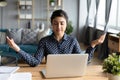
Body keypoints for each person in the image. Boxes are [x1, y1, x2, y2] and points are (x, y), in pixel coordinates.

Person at [7, 9, 106, 67]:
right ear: (52, 25)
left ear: (66, 24)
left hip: (69, 74)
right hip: (50, 75)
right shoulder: (44, 41)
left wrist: (93, 44)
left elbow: (82, 61)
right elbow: (35, 62)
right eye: (55, 23)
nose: (59, 27)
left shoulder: (72, 41)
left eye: (62, 23)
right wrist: (17, 48)